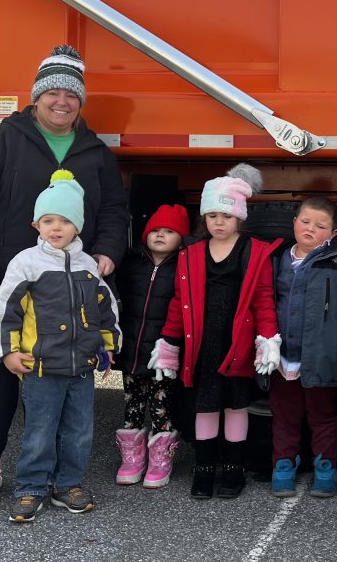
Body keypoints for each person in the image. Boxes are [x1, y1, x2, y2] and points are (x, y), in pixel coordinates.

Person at [0, 44, 129, 504]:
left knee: (62, 382)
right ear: (37, 97)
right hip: (11, 279)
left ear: (80, 101)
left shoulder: (95, 152)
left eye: (72, 94)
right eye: (53, 93)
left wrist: (107, 252)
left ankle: (61, 476)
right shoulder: (1, 139)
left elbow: (113, 210)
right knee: (1, 368)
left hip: (69, 288)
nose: (62, 101)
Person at [0, 170, 120, 522]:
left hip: (81, 368)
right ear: (36, 225)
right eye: (48, 220)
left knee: (78, 431)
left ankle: (68, 484)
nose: (56, 227)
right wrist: (8, 352)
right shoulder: (26, 263)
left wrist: (107, 346)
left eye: (64, 220)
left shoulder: (88, 265)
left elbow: (105, 308)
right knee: (40, 431)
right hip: (41, 368)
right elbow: (6, 311)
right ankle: (30, 488)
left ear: (77, 225)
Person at [152, 163, 280, 500]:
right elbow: (179, 302)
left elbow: (264, 299)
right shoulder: (190, 254)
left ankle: (233, 469)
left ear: (240, 217)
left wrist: (268, 338)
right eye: (212, 216)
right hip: (201, 345)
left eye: (225, 216)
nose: (218, 222)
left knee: (236, 407)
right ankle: (205, 468)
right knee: (205, 406)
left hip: (236, 343)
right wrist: (168, 342)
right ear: (205, 219)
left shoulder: (255, 252)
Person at [267, 197, 337, 498]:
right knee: (285, 415)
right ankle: (284, 465)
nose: (310, 229)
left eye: (320, 226)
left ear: (334, 233)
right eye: (305, 222)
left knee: (324, 416)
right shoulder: (276, 259)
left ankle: (326, 466)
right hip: (282, 359)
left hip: (324, 358)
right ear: (293, 223)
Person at [113, 204, 189, 488]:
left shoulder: (183, 266)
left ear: (181, 239)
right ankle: (132, 457)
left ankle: (160, 457)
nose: (160, 235)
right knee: (132, 403)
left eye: (169, 231)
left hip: (162, 354)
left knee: (162, 405)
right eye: (155, 230)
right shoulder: (131, 263)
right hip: (132, 349)